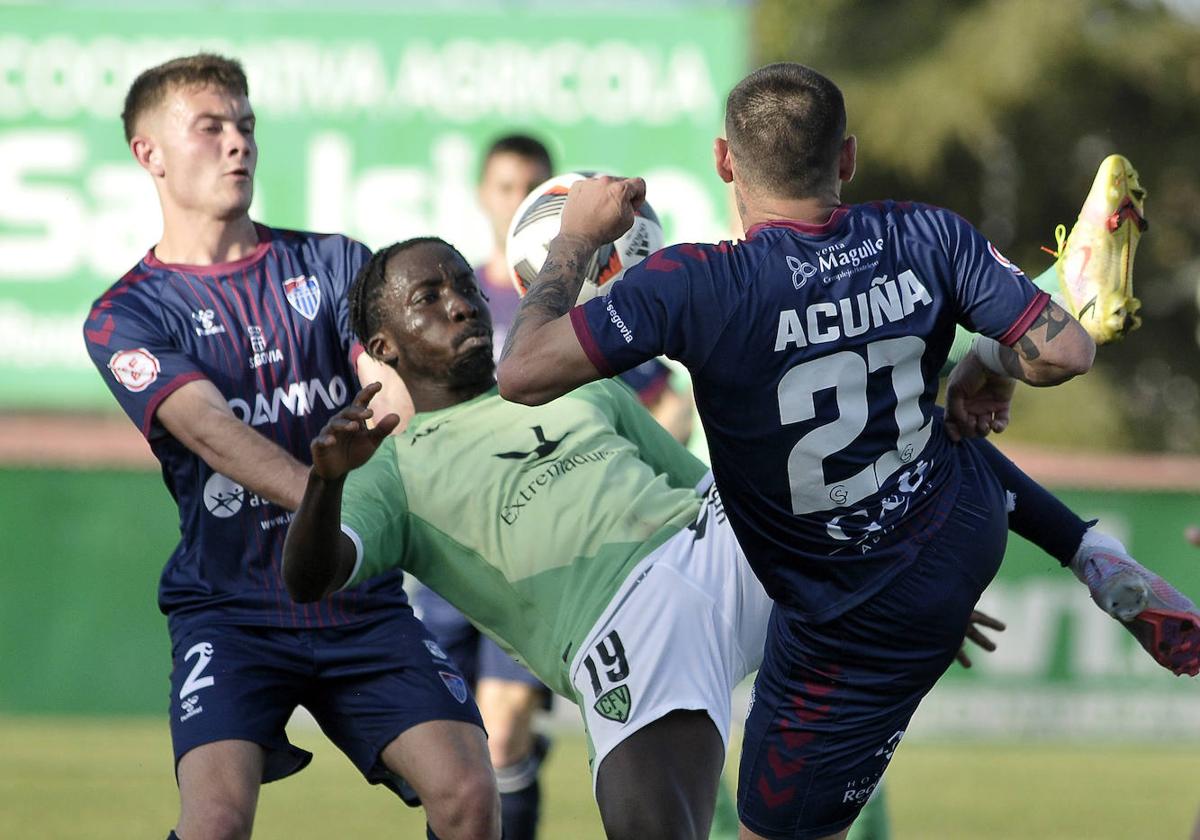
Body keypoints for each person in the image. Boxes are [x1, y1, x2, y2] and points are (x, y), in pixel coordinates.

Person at [282, 237, 1193, 840]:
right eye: (427, 296)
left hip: (719, 540)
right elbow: (311, 578)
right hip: (620, 632)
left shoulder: (580, 390)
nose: (460, 304)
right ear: (382, 345)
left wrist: (875, 566)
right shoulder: (384, 468)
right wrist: (324, 484)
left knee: (873, 439)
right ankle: (1008, 350)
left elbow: (715, 491)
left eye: (457, 285)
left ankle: (1087, 543)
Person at [493, 62, 1118, 840]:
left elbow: (520, 373)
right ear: (846, 158)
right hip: (950, 530)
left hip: (839, 599)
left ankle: (1087, 551)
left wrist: (579, 239)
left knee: (767, 828)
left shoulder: (699, 283)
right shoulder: (922, 231)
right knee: (935, 426)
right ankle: (1090, 547)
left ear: (726, 160)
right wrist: (987, 365)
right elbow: (1068, 355)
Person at [81, 54, 498, 840]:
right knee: (214, 825)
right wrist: (326, 491)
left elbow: (396, 395)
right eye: (211, 128)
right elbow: (209, 429)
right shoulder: (125, 315)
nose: (237, 143)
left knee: (470, 798)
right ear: (151, 154)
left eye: (245, 125)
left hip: (360, 600)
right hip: (231, 610)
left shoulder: (334, 262)